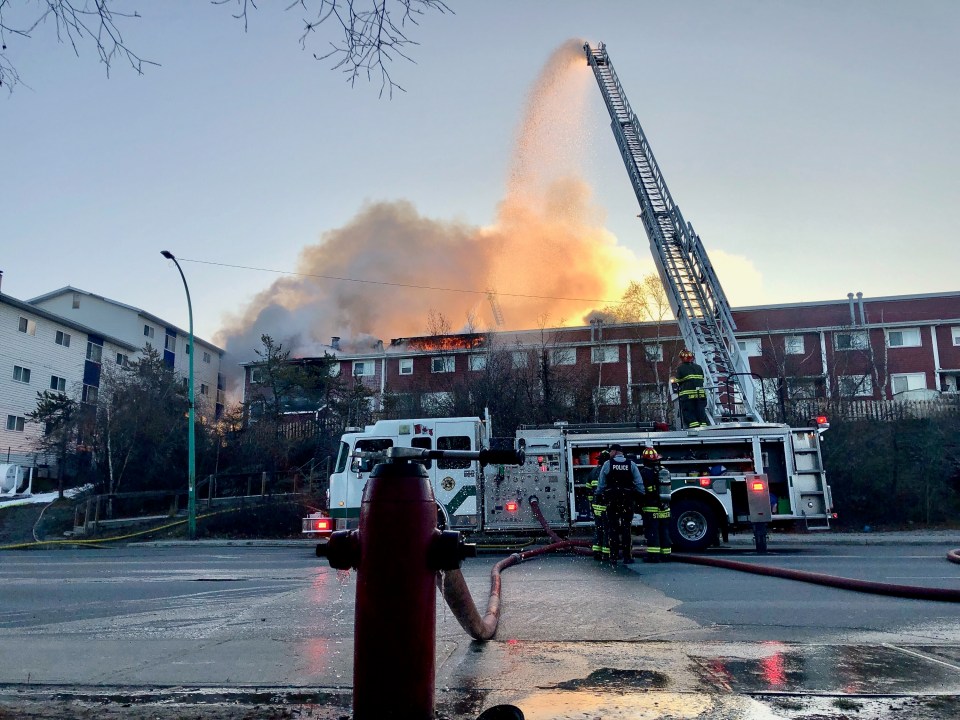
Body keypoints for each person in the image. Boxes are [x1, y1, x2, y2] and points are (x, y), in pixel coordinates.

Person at [595, 444, 644, 565]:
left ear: (615, 451)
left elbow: (601, 483)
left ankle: (614, 556)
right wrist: (641, 495)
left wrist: (598, 494)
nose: (609, 454)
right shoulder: (631, 464)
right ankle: (627, 556)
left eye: (610, 451)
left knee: (613, 528)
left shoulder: (608, 464)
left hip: (612, 500)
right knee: (627, 528)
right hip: (627, 500)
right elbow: (639, 482)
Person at [639, 447, 673, 562]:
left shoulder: (644, 472)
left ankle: (653, 556)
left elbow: (641, 490)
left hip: (651, 508)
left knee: (652, 531)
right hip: (665, 507)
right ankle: (666, 555)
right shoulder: (664, 471)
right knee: (664, 531)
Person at [586, 450, 610, 561]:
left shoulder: (593, 472)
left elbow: (588, 490)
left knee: (598, 529)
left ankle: (597, 552)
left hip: (596, 507)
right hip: (606, 506)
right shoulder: (608, 471)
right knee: (607, 529)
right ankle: (606, 553)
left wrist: (592, 503)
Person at [675, 348, 708, 428]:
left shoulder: (680, 368)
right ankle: (703, 423)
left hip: (688, 395)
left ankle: (693, 424)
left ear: (682, 358)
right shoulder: (699, 367)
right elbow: (702, 379)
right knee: (700, 410)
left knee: (688, 410)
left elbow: (678, 381)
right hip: (700, 394)